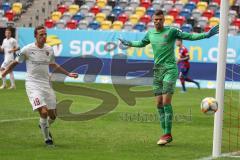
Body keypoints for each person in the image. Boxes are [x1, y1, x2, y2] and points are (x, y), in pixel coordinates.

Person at [119, 10, 219, 145]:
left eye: (160, 19)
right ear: (152, 21)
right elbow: (141, 43)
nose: (157, 22)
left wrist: (206, 35)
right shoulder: (150, 33)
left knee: (166, 102)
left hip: (170, 70)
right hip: (157, 71)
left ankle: (167, 134)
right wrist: (129, 43)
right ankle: (164, 134)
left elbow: (189, 36)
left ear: (164, 20)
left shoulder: (171, 31)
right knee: (158, 103)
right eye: (155, 20)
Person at [1, 25, 78, 146]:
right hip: (33, 85)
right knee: (43, 112)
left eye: (45, 34)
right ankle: (48, 139)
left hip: (46, 85)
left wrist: (68, 73)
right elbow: (15, 62)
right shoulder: (27, 49)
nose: (44, 36)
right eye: (41, 34)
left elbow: (53, 64)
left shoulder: (49, 49)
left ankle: (43, 125)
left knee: (53, 115)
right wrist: (4, 73)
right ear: (35, 36)